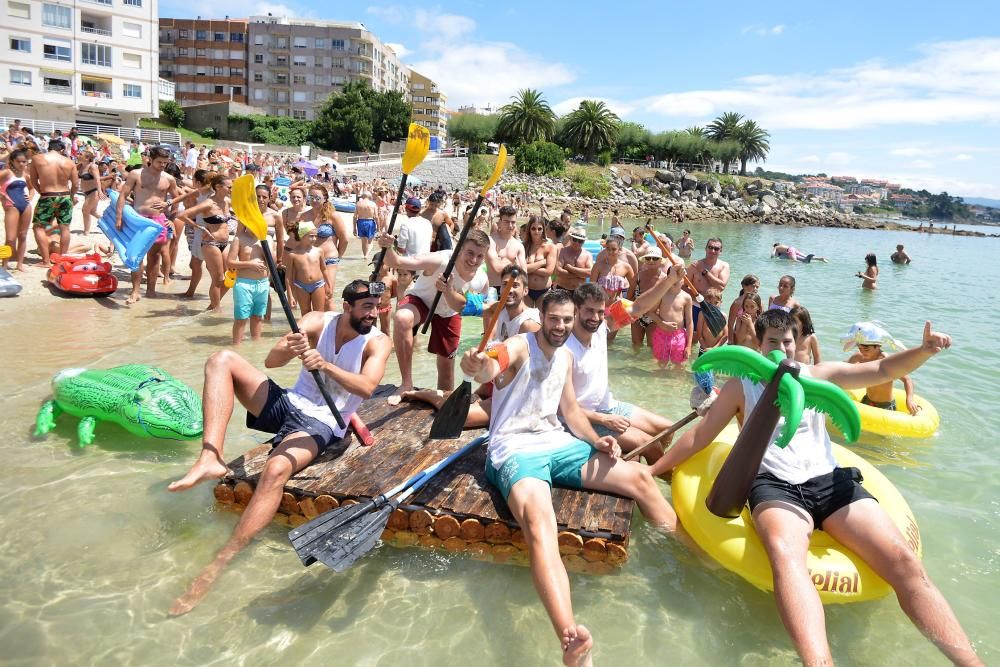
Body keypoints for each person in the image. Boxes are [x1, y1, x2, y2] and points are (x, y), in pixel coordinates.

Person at [652, 312, 982, 666]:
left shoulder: (817, 377)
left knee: (904, 561)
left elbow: (882, 371)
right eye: (772, 342)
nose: (781, 348)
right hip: (774, 485)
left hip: (830, 481)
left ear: (800, 344)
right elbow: (701, 436)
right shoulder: (741, 385)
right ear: (759, 346)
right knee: (785, 553)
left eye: (788, 341)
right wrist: (655, 469)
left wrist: (924, 351)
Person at [460, 289, 683, 667]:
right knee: (539, 522)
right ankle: (570, 638)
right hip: (514, 450)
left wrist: (599, 440)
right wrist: (476, 365)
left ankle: (685, 552)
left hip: (557, 442)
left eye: (566, 319)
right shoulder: (518, 346)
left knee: (640, 479)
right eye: (554, 319)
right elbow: (491, 366)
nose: (561, 326)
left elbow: (572, 413)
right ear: (541, 317)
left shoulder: (564, 356)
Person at [167, 280, 392, 615]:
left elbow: (367, 385)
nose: (373, 313)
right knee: (221, 359)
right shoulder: (317, 321)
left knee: (275, 468)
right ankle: (209, 457)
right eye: (367, 307)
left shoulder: (378, 342)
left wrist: (325, 365)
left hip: (324, 423)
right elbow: (272, 363)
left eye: (377, 306)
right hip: (290, 403)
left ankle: (223, 559)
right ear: (347, 306)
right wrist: (291, 346)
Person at [376, 228, 489, 399]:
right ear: (459, 249)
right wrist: (387, 247)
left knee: (446, 373)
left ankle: (442, 402)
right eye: (470, 253)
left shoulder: (481, 279)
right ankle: (406, 383)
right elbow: (397, 262)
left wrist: (448, 291)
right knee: (401, 318)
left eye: (480, 256)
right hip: (421, 301)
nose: (474, 260)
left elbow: (468, 308)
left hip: (449, 312)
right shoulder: (440, 260)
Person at [568, 283, 675, 461]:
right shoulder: (564, 348)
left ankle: (650, 470)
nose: (595, 317)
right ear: (575, 310)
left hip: (609, 406)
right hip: (585, 420)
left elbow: (638, 307)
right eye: (589, 311)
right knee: (650, 444)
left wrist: (669, 279)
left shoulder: (601, 328)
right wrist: (603, 420)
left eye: (600, 312)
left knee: (668, 430)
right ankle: (661, 476)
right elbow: (562, 409)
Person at [115, 146, 178, 304]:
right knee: (136, 256)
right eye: (159, 162)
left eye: (165, 162)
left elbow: (176, 199)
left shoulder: (169, 179)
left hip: (158, 220)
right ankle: (135, 291)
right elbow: (123, 195)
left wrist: (171, 216)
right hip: (138, 219)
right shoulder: (136, 174)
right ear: (150, 159)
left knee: (154, 256)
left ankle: (151, 290)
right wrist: (119, 217)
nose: (162, 165)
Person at [173, 173, 228, 310]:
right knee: (218, 279)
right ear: (219, 187)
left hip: (226, 243)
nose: (232, 189)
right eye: (230, 187)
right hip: (211, 243)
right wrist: (200, 227)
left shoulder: (227, 201)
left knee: (230, 277)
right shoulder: (209, 203)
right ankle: (216, 309)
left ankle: (212, 306)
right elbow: (182, 215)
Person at [843, 321, 920, 414]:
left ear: (878, 346)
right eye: (860, 348)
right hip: (866, 401)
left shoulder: (886, 361)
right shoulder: (859, 357)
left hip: (885, 406)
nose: (863, 352)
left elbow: (907, 380)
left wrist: (909, 400)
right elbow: (844, 370)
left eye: (866, 349)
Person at [28, 139, 78, 267]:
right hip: (65, 196)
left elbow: (33, 181)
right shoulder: (69, 162)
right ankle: (62, 260)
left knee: (38, 227)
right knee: (65, 228)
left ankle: (45, 261)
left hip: (47, 196)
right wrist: (71, 197)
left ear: (49, 147)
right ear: (61, 149)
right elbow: (76, 185)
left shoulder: (37, 159)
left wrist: (42, 192)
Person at [226, 220, 269, 345]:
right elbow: (229, 263)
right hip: (244, 284)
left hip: (262, 283)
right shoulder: (239, 239)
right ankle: (237, 346)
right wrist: (249, 264)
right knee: (241, 318)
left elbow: (272, 261)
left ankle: (255, 346)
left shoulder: (267, 239)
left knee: (258, 317)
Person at [650, 268, 694, 367]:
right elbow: (651, 312)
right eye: (673, 277)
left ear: (684, 279)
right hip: (661, 334)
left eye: (679, 277)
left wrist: (689, 346)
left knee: (679, 366)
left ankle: (677, 383)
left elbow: (690, 322)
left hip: (679, 336)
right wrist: (661, 323)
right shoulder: (662, 294)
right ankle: (659, 382)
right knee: (661, 364)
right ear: (668, 278)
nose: (676, 280)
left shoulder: (686, 298)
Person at [0, 147, 33, 271]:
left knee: (23, 236)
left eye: (24, 162)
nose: (21, 164)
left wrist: (30, 196)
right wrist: (2, 196)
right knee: (10, 238)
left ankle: (20, 264)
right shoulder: (7, 173)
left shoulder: (26, 175)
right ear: (12, 161)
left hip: (25, 206)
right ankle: (4, 264)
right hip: (11, 206)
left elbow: (32, 188)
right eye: (18, 161)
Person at [686, 237, 730, 330]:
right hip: (695, 306)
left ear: (720, 251)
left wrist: (704, 271)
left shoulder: (724, 266)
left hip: (714, 307)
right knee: (693, 336)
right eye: (710, 247)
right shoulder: (694, 265)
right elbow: (682, 286)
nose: (713, 250)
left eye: (716, 249)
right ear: (705, 248)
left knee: (711, 338)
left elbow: (721, 287)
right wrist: (696, 297)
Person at [284, 221, 327, 316]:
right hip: (301, 286)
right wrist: (290, 296)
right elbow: (288, 278)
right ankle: (308, 330)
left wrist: (329, 286)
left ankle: (319, 331)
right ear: (301, 236)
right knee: (305, 313)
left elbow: (324, 269)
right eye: (311, 236)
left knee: (319, 313)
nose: (314, 238)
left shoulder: (319, 251)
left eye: (316, 236)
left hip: (318, 284)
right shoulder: (293, 255)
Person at [486, 205, 526, 293]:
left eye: (513, 222)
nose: (510, 226)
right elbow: (497, 269)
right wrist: (514, 264)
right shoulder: (490, 241)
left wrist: (503, 261)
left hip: (513, 289)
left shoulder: (518, 245)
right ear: (499, 222)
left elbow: (523, 273)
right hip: (493, 289)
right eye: (506, 222)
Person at [523, 215, 557, 306]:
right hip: (526, 290)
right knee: (525, 318)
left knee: (542, 319)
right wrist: (541, 263)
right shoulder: (524, 246)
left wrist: (528, 268)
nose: (536, 231)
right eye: (533, 228)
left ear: (543, 230)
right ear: (529, 229)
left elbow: (549, 271)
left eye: (539, 228)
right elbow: (521, 269)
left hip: (544, 291)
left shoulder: (550, 247)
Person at [554, 227, 593, 291]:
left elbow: (590, 273)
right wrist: (580, 275)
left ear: (584, 242)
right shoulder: (562, 251)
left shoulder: (587, 255)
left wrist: (571, 269)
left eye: (580, 241)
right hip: (562, 288)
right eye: (575, 239)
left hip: (580, 291)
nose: (577, 243)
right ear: (570, 238)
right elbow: (558, 272)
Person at [77, 150, 104, 235]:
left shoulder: (92, 166)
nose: (78, 155)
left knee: (85, 210)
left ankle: (86, 231)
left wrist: (100, 191)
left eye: (80, 154)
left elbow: (97, 179)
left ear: (87, 158)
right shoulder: (80, 166)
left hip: (94, 191)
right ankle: (110, 224)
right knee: (93, 212)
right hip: (86, 192)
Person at [694, 288, 727, 354]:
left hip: (717, 349)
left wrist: (714, 348)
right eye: (710, 302)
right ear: (705, 302)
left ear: (721, 302)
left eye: (716, 302)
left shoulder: (723, 316)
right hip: (704, 349)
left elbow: (725, 335)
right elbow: (699, 335)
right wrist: (705, 348)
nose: (713, 305)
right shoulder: (702, 315)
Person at [353, 191, 378, 259]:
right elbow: (376, 216)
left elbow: (355, 216)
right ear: (369, 196)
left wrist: (354, 228)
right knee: (370, 241)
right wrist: (378, 227)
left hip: (360, 222)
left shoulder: (358, 204)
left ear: (363, 196)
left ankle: (364, 255)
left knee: (363, 241)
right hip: (370, 221)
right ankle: (366, 255)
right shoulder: (373, 204)